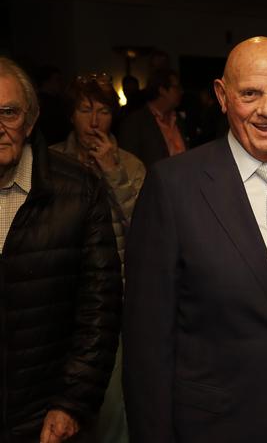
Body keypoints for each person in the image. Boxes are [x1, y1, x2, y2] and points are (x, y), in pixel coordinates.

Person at [123, 36, 267, 443]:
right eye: (250, 94)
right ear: (222, 95)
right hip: (218, 426)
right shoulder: (173, 186)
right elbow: (148, 341)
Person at [0, 58, 122, 442]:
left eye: (9, 112)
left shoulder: (77, 189)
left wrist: (72, 401)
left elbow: (98, 308)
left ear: (31, 120)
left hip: (42, 415)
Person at [50, 76, 145, 443]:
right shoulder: (52, 160)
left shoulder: (132, 165)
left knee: (111, 402)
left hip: (116, 297)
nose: (94, 121)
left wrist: (112, 170)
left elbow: (145, 229)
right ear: (71, 115)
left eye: (103, 111)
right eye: (85, 110)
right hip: (62, 296)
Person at [117, 68, 188, 168]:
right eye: (177, 87)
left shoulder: (178, 120)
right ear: (162, 90)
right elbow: (128, 168)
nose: (181, 91)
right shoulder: (135, 123)